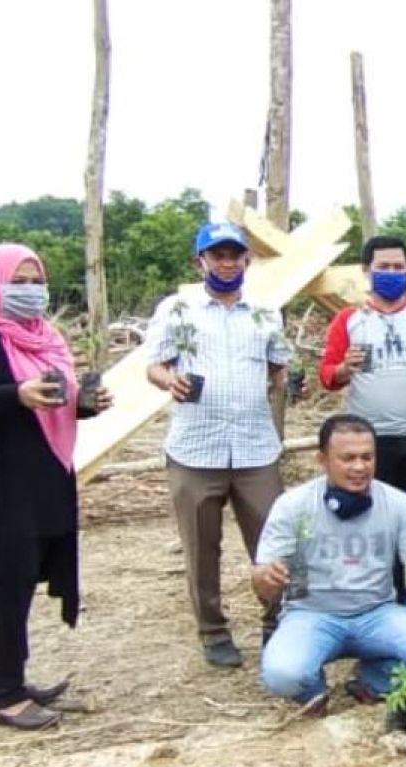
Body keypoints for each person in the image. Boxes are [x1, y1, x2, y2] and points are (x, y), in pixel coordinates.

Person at [0, 243, 113, 730]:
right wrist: (14, 395)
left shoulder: (45, 336)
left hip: (45, 477)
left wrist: (85, 404)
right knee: (2, 588)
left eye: (38, 281)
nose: (31, 291)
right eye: (20, 281)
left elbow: (52, 403)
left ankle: (15, 678)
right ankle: (4, 695)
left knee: (22, 585)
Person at [146, 222, 291, 668]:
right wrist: (170, 379)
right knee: (201, 546)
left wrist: (287, 382)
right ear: (200, 261)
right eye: (218, 255)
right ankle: (212, 631)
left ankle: (278, 620)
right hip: (196, 448)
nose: (227, 263)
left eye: (234, 255)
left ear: (247, 260)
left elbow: (278, 367)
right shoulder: (177, 310)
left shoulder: (266, 312)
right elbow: (154, 365)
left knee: (273, 540)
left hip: (254, 447)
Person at [255, 414, 406, 714]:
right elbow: (263, 582)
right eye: (347, 458)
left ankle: (372, 679)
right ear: (322, 460)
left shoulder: (400, 505)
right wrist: (264, 577)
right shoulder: (293, 506)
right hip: (310, 613)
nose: (359, 467)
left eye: (367, 457)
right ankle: (312, 689)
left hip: (377, 611)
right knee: (282, 676)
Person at [318, 236, 406, 609]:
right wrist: (346, 367)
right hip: (370, 441)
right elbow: (327, 374)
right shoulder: (349, 320)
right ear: (367, 271)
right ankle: (373, 594)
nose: (392, 274)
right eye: (384, 267)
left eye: (399, 267)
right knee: (369, 516)